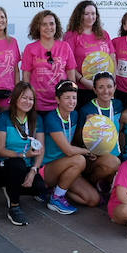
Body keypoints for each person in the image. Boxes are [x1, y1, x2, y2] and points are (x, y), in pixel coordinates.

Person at [39, 80, 99, 213]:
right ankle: (56, 198)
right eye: (67, 98)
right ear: (57, 99)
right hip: (49, 168)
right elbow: (68, 149)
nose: (71, 101)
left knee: (93, 199)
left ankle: (56, 190)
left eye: (74, 98)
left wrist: (91, 122)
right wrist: (87, 152)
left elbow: (81, 136)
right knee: (80, 159)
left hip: (68, 167)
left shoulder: (75, 115)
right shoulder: (51, 118)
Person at [0, 82, 45, 226]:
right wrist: (23, 155)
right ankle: (14, 206)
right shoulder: (4, 117)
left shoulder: (37, 119)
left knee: (40, 187)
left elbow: (41, 149)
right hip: (6, 164)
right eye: (24, 98)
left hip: (26, 167)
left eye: (31, 99)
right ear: (15, 98)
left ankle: (11, 187)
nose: (27, 102)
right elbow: (1, 149)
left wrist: (34, 171)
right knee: (17, 165)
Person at [20, 10, 76, 113]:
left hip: (61, 104)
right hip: (37, 104)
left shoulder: (65, 46)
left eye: (51, 24)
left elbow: (71, 77)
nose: (48, 27)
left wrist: (70, 98)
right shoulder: (30, 48)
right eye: (44, 24)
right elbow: (26, 77)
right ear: (38, 27)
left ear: (56, 26)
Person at [78, 71, 122, 190]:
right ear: (94, 89)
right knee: (113, 163)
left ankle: (104, 183)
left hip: (116, 153)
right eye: (101, 87)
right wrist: (88, 126)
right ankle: (91, 182)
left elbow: (121, 129)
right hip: (95, 157)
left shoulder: (118, 105)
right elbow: (77, 139)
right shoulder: (86, 110)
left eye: (109, 86)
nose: (106, 91)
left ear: (115, 87)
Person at [64, 0, 112, 104]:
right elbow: (68, 64)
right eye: (86, 14)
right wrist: (83, 80)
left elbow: (112, 57)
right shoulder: (71, 36)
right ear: (79, 16)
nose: (90, 17)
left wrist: (111, 82)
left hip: (103, 89)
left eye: (93, 13)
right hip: (82, 88)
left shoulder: (104, 34)